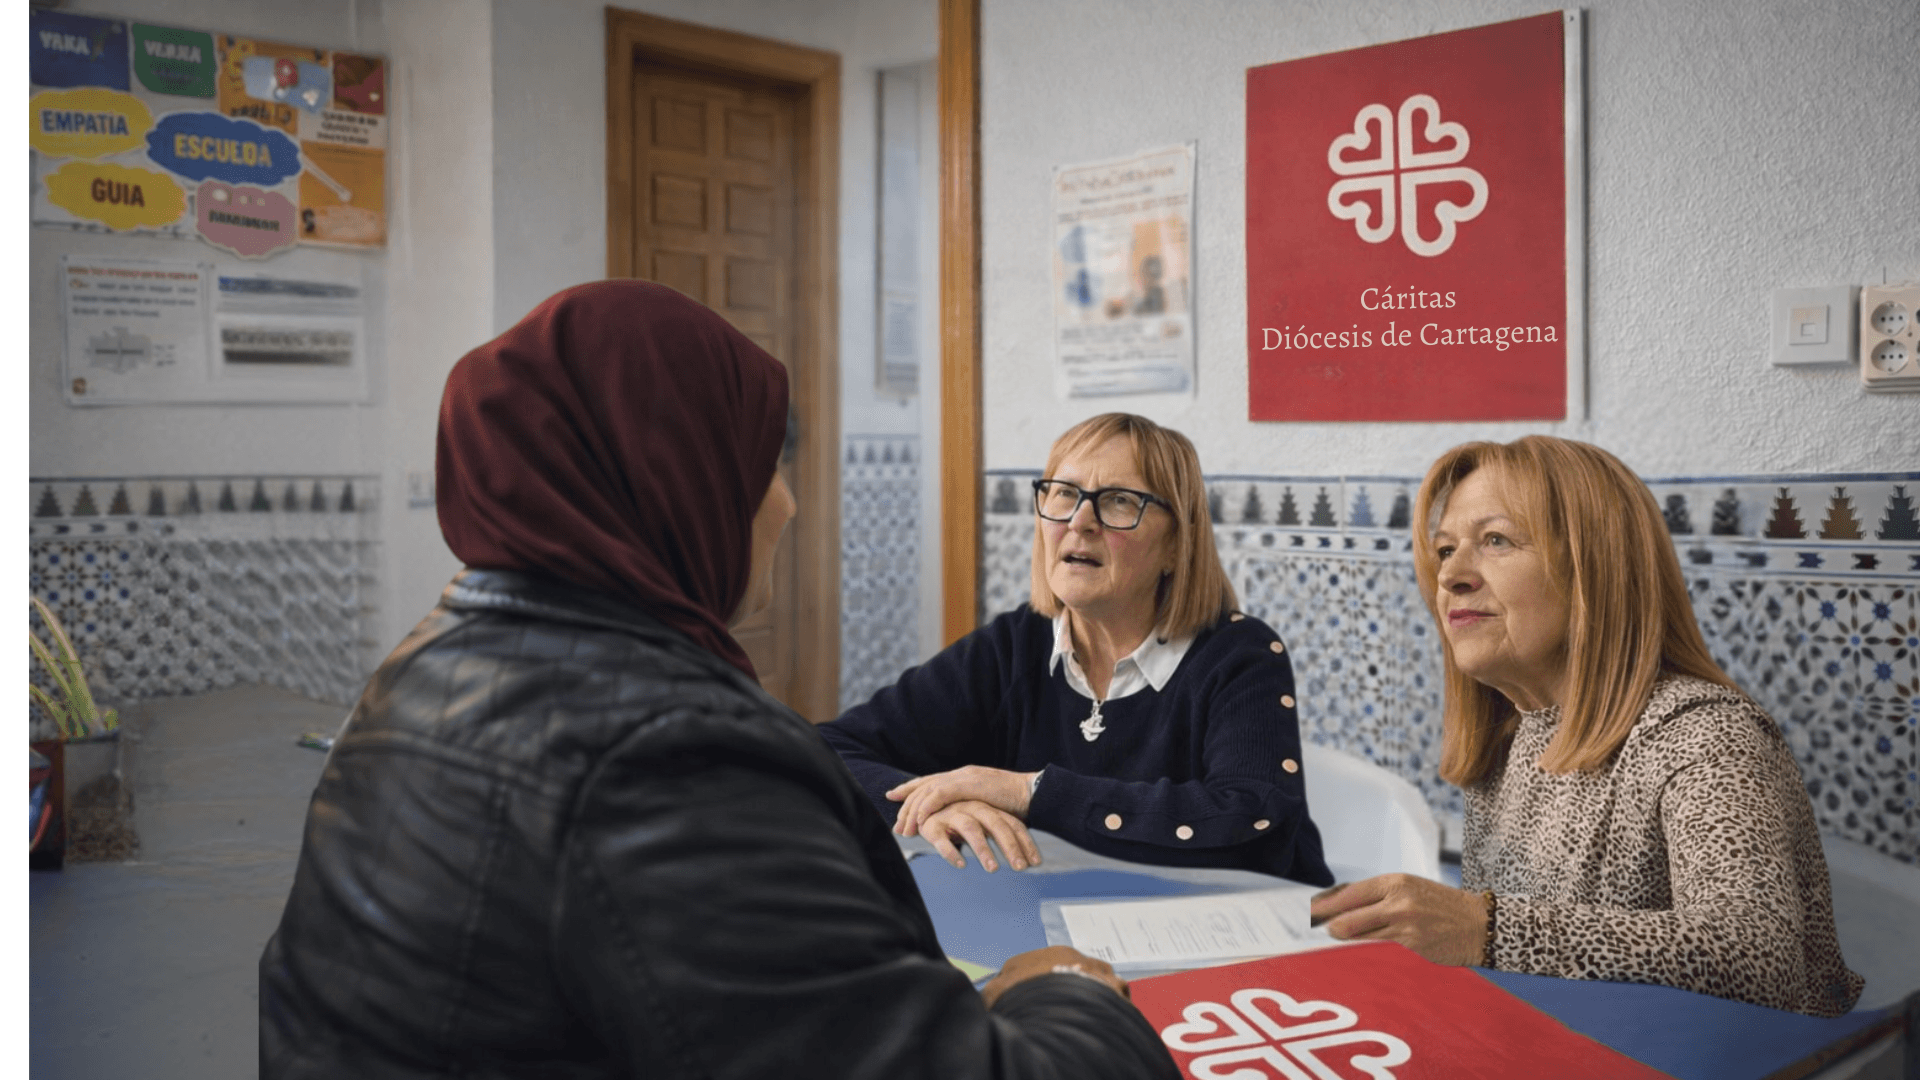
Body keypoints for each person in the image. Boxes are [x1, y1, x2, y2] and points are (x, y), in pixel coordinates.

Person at [258, 281, 1180, 1079]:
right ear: (680, 476)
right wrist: (1066, 993)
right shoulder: (669, 760)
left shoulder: (418, 669)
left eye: (1117, 504)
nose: (786, 501)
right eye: (765, 463)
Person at [1310, 435, 1863, 1017]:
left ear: (1594, 568)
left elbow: (1758, 958)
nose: (1451, 576)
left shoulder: (1705, 735)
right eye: (1445, 549)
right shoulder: (1509, 738)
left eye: (1495, 540)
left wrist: (1484, 927)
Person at [821, 413, 1331, 885]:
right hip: (1063, 921)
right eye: (1064, 493)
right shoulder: (1016, 643)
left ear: (1177, 544)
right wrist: (930, 808)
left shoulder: (1240, 655)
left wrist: (1029, 793)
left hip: (1245, 938)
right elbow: (825, 751)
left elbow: (1251, 818)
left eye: (1118, 501)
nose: (1078, 521)